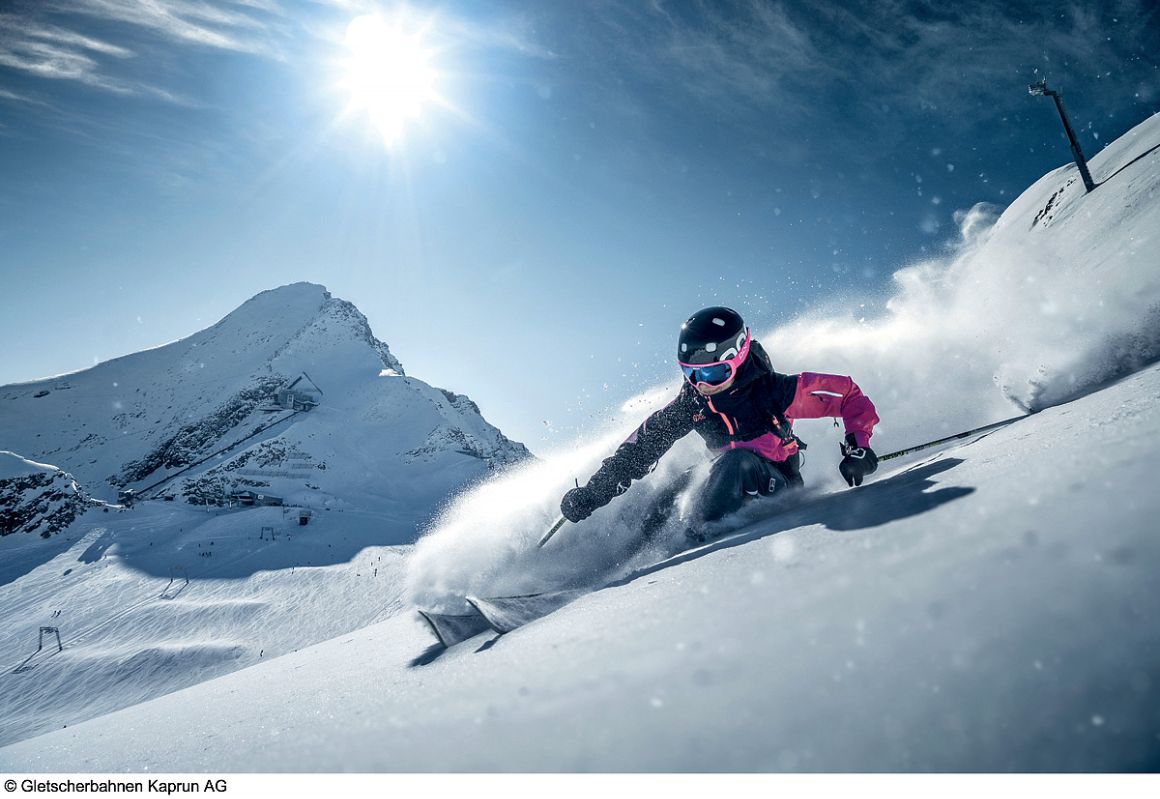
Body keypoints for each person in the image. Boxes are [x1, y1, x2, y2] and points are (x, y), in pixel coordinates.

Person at [559, 306, 880, 539]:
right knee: (677, 488)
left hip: (774, 481)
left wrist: (859, 449)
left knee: (735, 463)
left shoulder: (774, 391)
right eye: (691, 373)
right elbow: (637, 451)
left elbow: (849, 397)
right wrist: (591, 494)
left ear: (737, 358)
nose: (702, 383)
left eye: (712, 372)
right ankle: (632, 560)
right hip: (725, 480)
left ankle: (696, 544)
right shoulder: (692, 403)